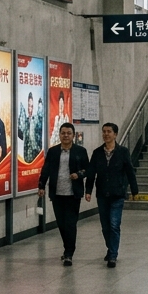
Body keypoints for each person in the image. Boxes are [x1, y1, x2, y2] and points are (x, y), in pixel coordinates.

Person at [85, 123, 138, 267]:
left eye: (109, 131)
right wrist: (88, 190)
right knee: (105, 226)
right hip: (102, 194)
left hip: (117, 194)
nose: (106, 134)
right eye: (104, 131)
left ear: (115, 134)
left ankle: (113, 255)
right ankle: (110, 248)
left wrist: (134, 191)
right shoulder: (97, 153)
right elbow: (91, 173)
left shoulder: (123, 152)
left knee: (114, 224)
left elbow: (130, 171)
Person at [39, 123, 90, 265]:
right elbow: (46, 169)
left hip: (73, 194)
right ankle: (67, 248)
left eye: (68, 133)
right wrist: (41, 185)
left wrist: (78, 174)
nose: (66, 136)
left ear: (73, 135)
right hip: (57, 193)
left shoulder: (80, 151)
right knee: (61, 224)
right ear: (59, 134)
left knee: (70, 224)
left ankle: (69, 253)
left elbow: (88, 169)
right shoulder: (53, 151)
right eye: (63, 133)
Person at [18, 91, 43, 163]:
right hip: (27, 157)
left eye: (31, 106)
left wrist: (40, 104)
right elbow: (21, 135)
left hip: (36, 155)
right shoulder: (25, 121)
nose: (30, 109)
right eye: (29, 106)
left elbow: (40, 129)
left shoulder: (36, 120)